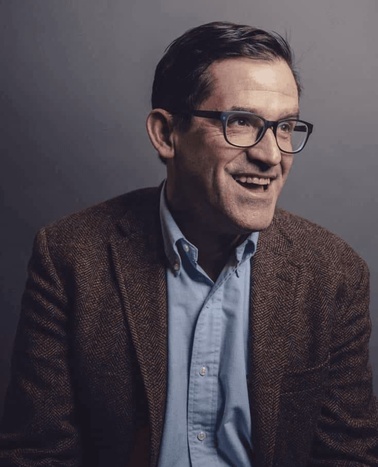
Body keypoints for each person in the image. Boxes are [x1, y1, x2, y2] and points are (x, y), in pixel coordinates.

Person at [0, 20, 377, 467]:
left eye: (285, 127)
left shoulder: (333, 272)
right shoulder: (69, 256)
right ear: (165, 134)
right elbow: (38, 454)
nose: (272, 155)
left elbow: (347, 457)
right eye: (241, 121)